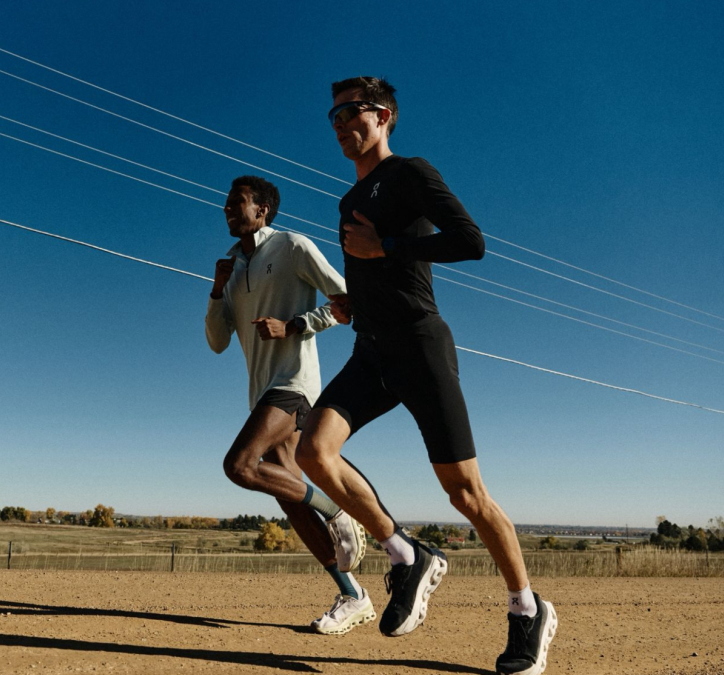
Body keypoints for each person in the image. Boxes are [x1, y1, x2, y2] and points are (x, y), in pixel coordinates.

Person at [294, 77, 557, 675]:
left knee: (465, 493)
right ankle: (405, 554)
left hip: (419, 345)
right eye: (332, 116)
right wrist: (350, 304)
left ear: (383, 115)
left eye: (350, 112)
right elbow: (368, 271)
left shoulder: (411, 172)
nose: (338, 123)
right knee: (312, 451)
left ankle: (526, 609)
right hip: (371, 350)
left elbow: (471, 243)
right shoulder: (346, 201)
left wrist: (384, 247)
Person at [205, 175, 372, 635]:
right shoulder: (233, 269)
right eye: (226, 203)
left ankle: (339, 512)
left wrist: (294, 324)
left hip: (294, 385)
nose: (227, 209)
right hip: (261, 393)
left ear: (262, 210)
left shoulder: (292, 246)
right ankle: (352, 593)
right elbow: (217, 342)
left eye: (236, 202)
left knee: (239, 465)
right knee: (287, 497)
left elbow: (347, 301)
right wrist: (217, 289)